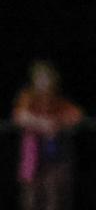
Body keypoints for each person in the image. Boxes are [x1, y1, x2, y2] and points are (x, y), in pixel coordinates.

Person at [12, 61, 83, 210]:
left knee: (54, 193)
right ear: (34, 80)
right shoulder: (28, 96)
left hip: (55, 153)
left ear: (53, 79)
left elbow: (76, 116)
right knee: (31, 194)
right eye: (40, 78)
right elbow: (20, 116)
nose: (43, 81)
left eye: (47, 77)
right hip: (33, 153)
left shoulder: (58, 100)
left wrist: (57, 122)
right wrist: (42, 124)